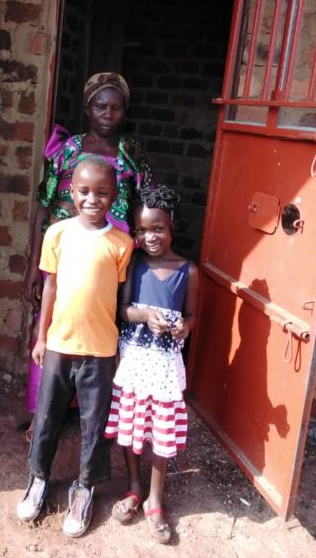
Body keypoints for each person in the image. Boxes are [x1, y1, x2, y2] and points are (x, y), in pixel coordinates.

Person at [22, 72, 153, 422]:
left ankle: (94, 415)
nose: (107, 114)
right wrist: (36, 266)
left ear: (125, 111)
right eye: (100, 106)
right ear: (87, 109)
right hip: (65, 256)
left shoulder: (132, 152)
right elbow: (44, 207)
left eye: (116, 108)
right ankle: (44, 413)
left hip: (114, 258)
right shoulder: (68, 150)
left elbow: (145, 203)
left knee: (104, 328)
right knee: (54, 324)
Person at [17, 156, 134, 538]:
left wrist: (120, 348)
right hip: (59, 344)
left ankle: (84, 487)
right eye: (84, 191)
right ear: (72, 192)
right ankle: (38, 478)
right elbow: (50, 286)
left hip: (100, 349)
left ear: (114, 197)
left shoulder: (121, 244)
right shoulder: (58, 233)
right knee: (48, 415)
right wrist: (41, 337)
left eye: (102, 193)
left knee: (93, 422)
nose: (92, 199)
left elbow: (118, 297)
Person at [104, 185, 198, 544]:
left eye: (157, 228)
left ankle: (155, 501)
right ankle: (133, 487)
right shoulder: (134, 264)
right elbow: (122, 310)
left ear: (172, 226)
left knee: (160, 429)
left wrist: (182, 326)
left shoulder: (187, 271)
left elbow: (192, 316)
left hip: (164, 364)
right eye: (141, 231)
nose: (149, 237)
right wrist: (145, 315)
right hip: (135, 358)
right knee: (131, 425)